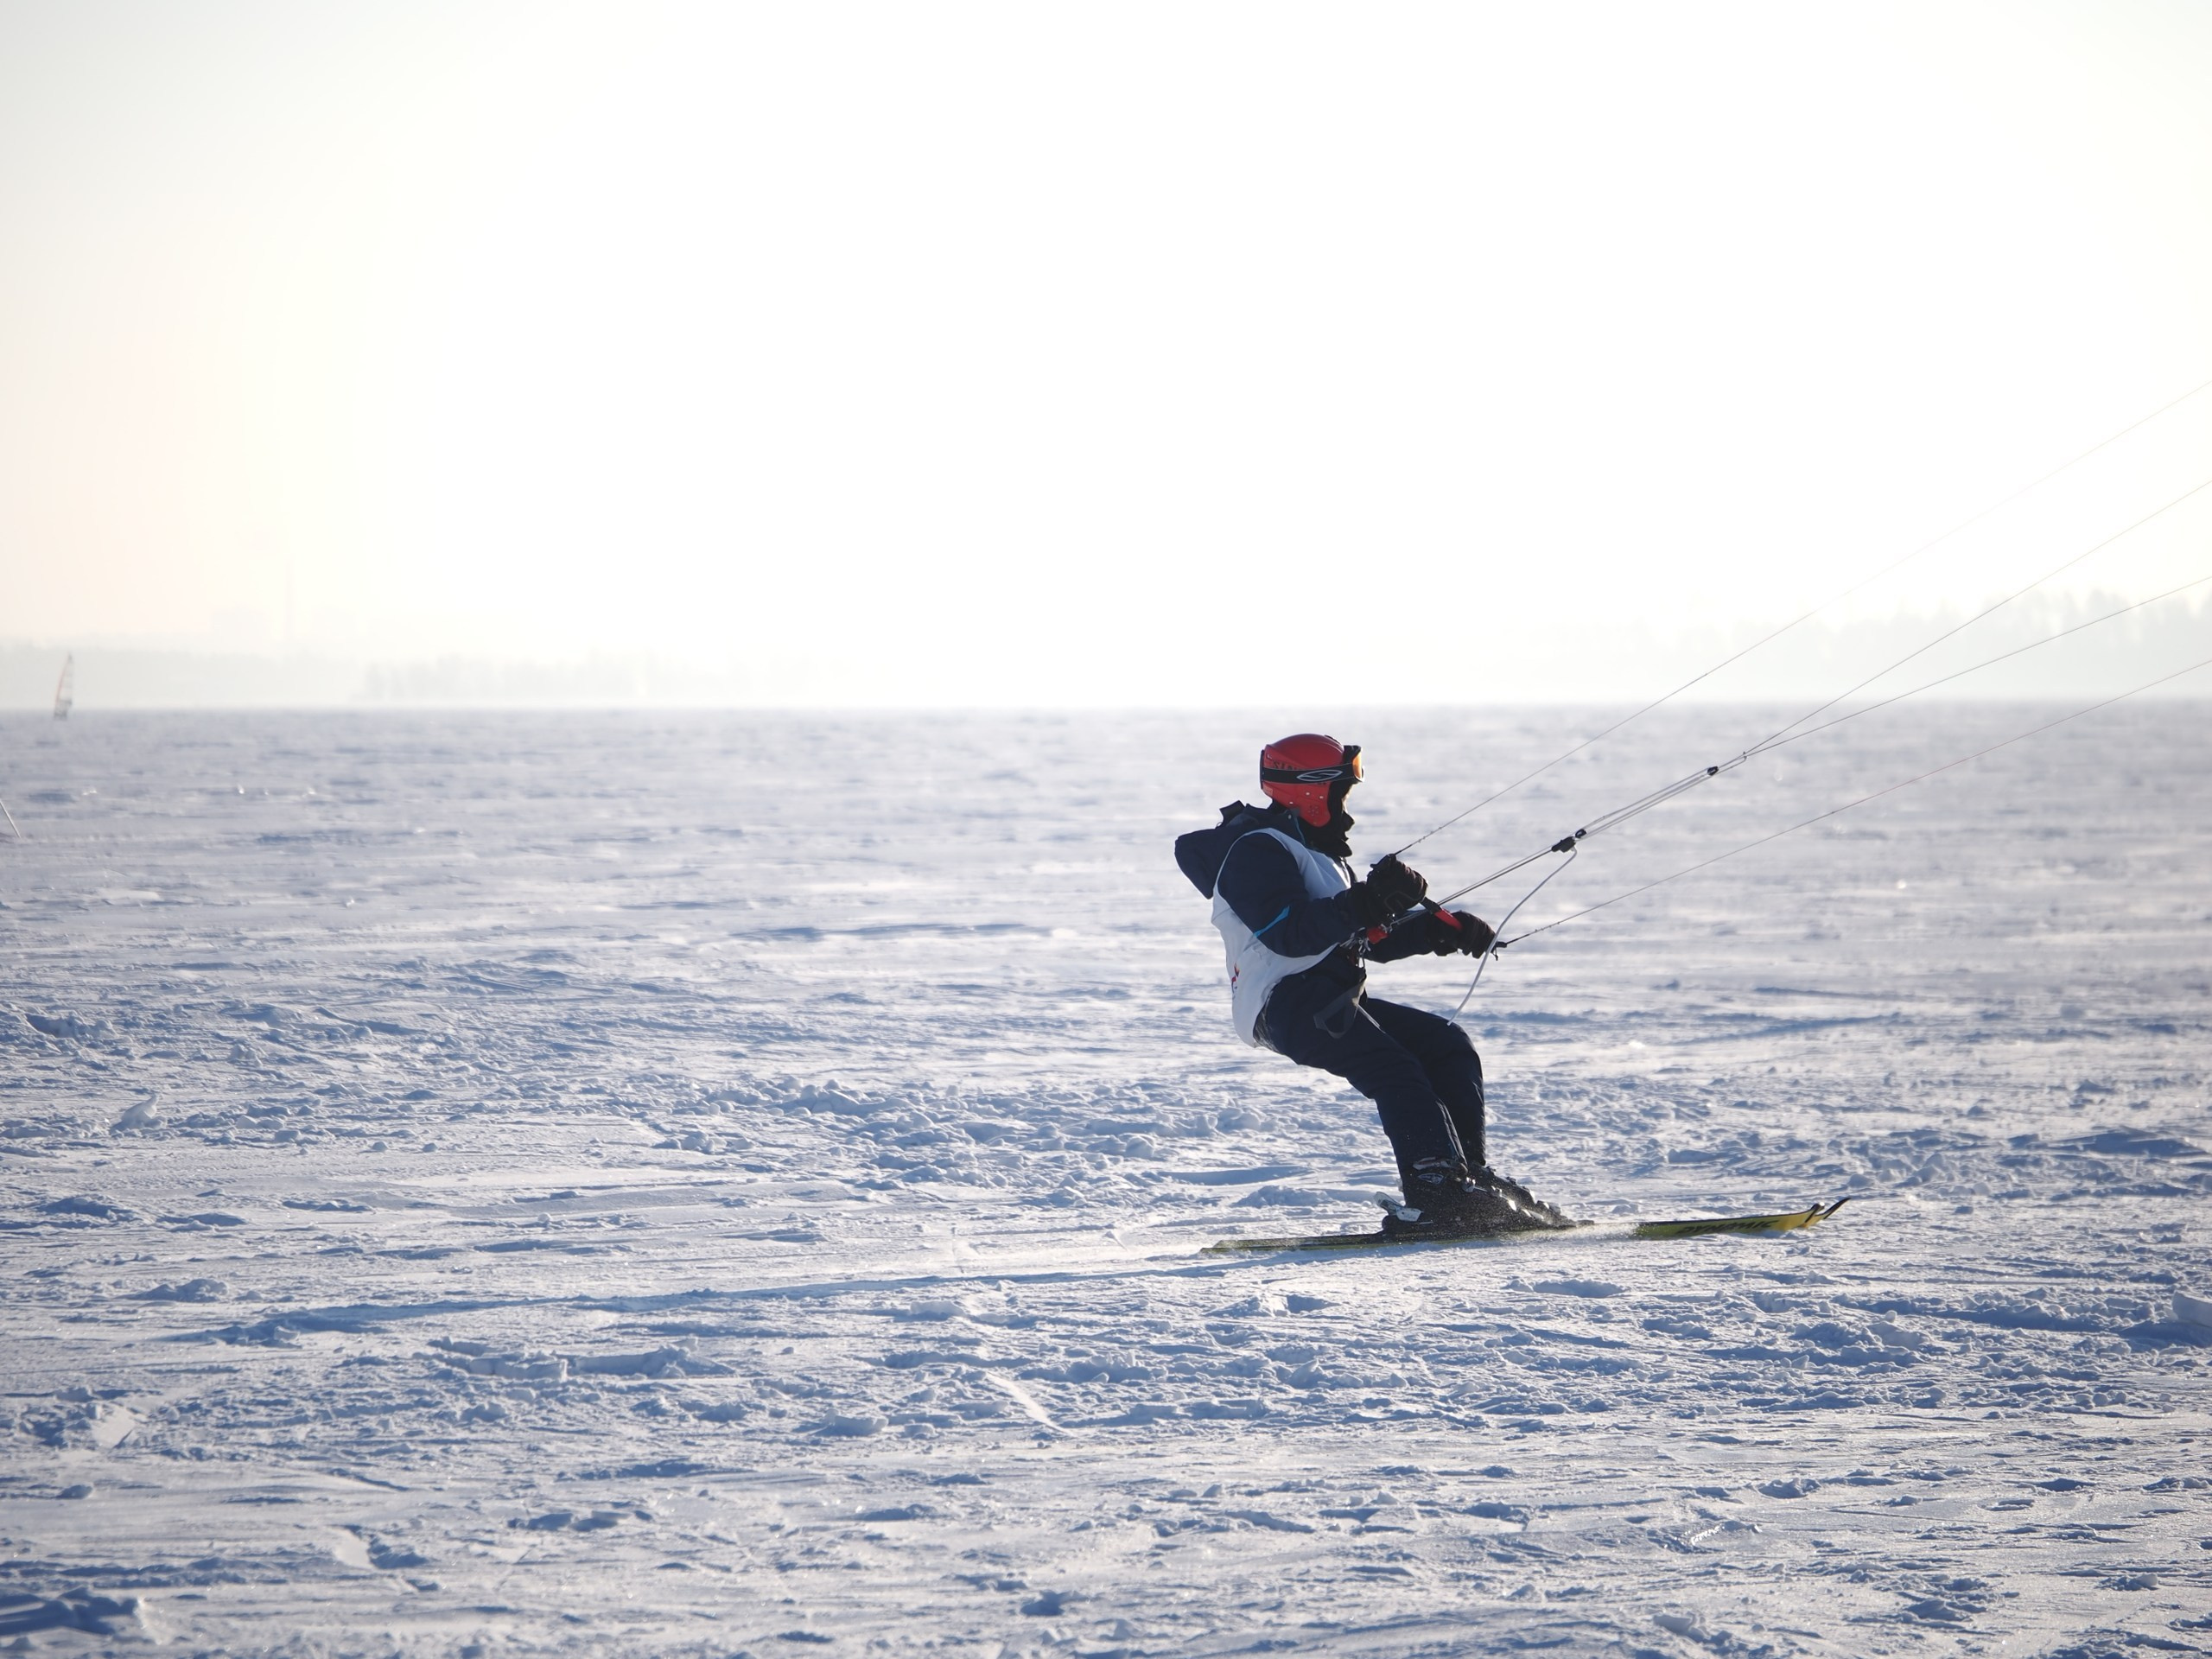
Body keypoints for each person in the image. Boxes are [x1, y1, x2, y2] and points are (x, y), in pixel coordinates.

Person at [1175, 734, 1569, 1235]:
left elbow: (1368, 941)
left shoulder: (1318, 853)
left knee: (1445, 1046)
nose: (1347, 807)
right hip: (1286, 1001)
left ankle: (1465, 1180)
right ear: (1310, 790)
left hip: (1330, 994)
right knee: (1395, 1069)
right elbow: (1290, 934)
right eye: (1341, 791)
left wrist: (1437, 930)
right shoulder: (1257, 850)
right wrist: (1369, 900)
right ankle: (1437, 1193)